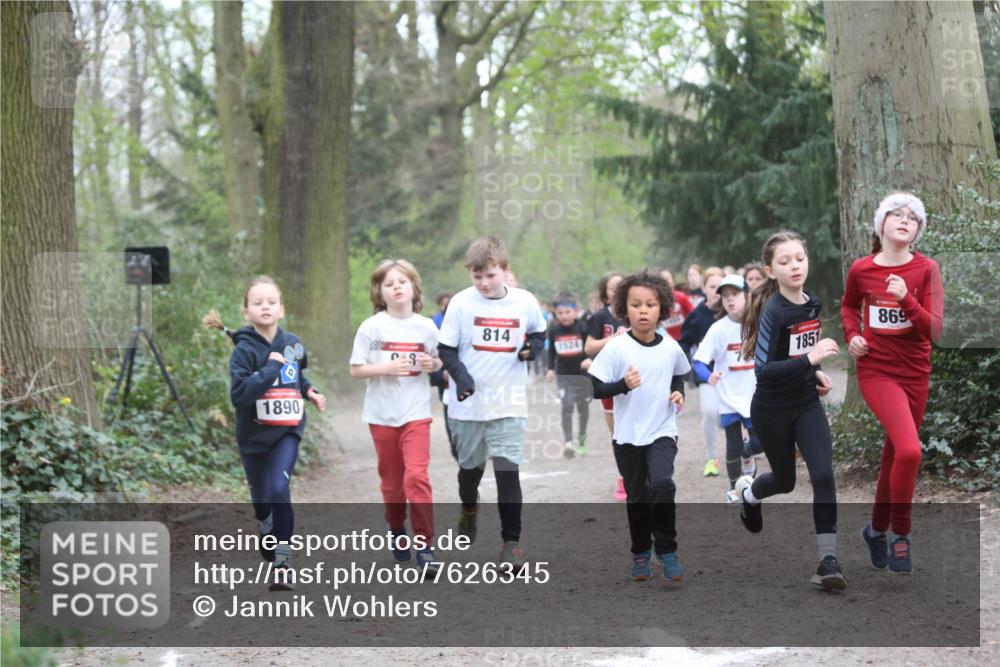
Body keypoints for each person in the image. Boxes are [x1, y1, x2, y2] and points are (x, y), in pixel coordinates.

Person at [735, 231, 845, 590]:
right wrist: (809, 360)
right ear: (770, 270)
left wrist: (815, 374)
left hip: (806, 404)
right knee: (785, 481)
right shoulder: (773, 312)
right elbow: (765, 371)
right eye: (785, 261)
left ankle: (827, 560)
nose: (795, 266)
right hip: (771, 409)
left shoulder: (811, 303)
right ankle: (749, 495)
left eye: (800, 258)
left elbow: (798, 356)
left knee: (824, 476)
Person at [841, 193, 943, 574]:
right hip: (877, 370)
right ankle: (901, 533)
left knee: (894, 457)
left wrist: (906, 301)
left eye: (912, 217)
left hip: (915, 372)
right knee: (910, 451)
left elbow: (933, 328)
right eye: (896, 214)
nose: (904, 219)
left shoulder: (926, 269)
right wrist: (853, 335)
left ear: (917, 232)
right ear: (880, 224)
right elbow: (849, 306)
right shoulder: (862, 269)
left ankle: (874, 530)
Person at [204, 276, 326, 591]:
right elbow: (240, 395)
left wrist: (310, 391)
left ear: (282, 309)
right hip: (253, 436)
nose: (265, 307)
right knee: (261, 499)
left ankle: (283, 564)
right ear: (247, 312)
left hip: (287, 431)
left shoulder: (292, 344)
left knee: (278, 488)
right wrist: (270, 368)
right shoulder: (243, 351)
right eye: (258, 303)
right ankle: (264, 524)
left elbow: (295, 376)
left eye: (271, 302)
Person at [437, 236, 546, 570]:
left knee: (507, 473)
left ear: (505, 270)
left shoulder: (525, 302)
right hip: (467, 405)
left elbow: (539, 334)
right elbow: (446, 350)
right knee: (470, 473)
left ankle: (510, 543)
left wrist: (533, 350)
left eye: (490, 275)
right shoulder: (460, 303)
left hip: (509, 402)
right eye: (477, 276)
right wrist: (464, 380)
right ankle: (469, 509)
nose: (483, 283)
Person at [588, 272, 690, 582]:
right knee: (637, 498)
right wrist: (622, 385)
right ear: (624, 308)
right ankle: (641, 553)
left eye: (650, 304)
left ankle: (668, 551)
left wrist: (678, 393)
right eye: (636, 304)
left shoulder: (670, 346)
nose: (643, 310)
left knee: (661, 484)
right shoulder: (617, 348)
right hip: (628, 436)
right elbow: (593, 387)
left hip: (661, 430)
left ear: (662, 309)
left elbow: (679, 374)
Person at [350, 259, 444, 571]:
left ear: (414, 287)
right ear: (380, 292)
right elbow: (356, 369)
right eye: (389, 284)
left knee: (416, 477)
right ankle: (396, 528)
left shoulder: (427, 327)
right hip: (381, 415)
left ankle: (426, 545)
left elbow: (437, 361)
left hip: (416, 413)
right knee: (392, 485)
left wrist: (434, 365)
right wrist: (386, 368)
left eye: (402, 282)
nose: (396, 288)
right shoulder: (372, 328)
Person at [693, 274, 761, 502]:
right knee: (732, 443)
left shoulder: (760, 323)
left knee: (759, 444)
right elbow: (699, 362)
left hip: (754, 396)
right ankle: (733, 488)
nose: (730, 300)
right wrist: (708, 375)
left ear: (747, 296)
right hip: (728, 396)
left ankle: (747, 453)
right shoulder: (718, 329)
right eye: (725, 296)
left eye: (735, 295)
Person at [584, 271, 628, 500]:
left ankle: (641, 473)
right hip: (608, 382)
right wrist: (614, 338)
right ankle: (623, 477)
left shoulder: (635, 311)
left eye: (621, 286)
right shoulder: (600, 318)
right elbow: (589, 347)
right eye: (612, 288)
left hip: (634, 378)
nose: (617, 291)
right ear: (605, 294)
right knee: (618, 434)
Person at [678, 267, 725, 477]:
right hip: (707, 373)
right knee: (709, 412)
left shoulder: (735, 311)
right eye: (712, 286)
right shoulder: (697, 316)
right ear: (703, 288)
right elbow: (684, 343)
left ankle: (746, 449)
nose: (716, 291)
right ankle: (712, 458)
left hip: (735, 373)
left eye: (719, 286)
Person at [545, 292, 590, 458]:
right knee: (567, 406)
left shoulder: (583, 328)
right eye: (560, 313)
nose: (564, 316)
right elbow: (551, 351)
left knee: (582, 408)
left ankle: (582, 439)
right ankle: (568, 442)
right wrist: (550, 369)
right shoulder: (554, 329)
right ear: (555, 313)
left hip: (582, 375)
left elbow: (591, 347)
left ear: (576, 310)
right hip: (564, 375)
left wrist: (589, 359)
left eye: (567, 312)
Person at [659, 269, 695, 341]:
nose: (666, 281)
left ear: (672, 280)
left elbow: (693, 316)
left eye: (668, 278)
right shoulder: (656, 300)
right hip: (664, 341)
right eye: (663, 278)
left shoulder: (681, 297)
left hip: (683, 339)